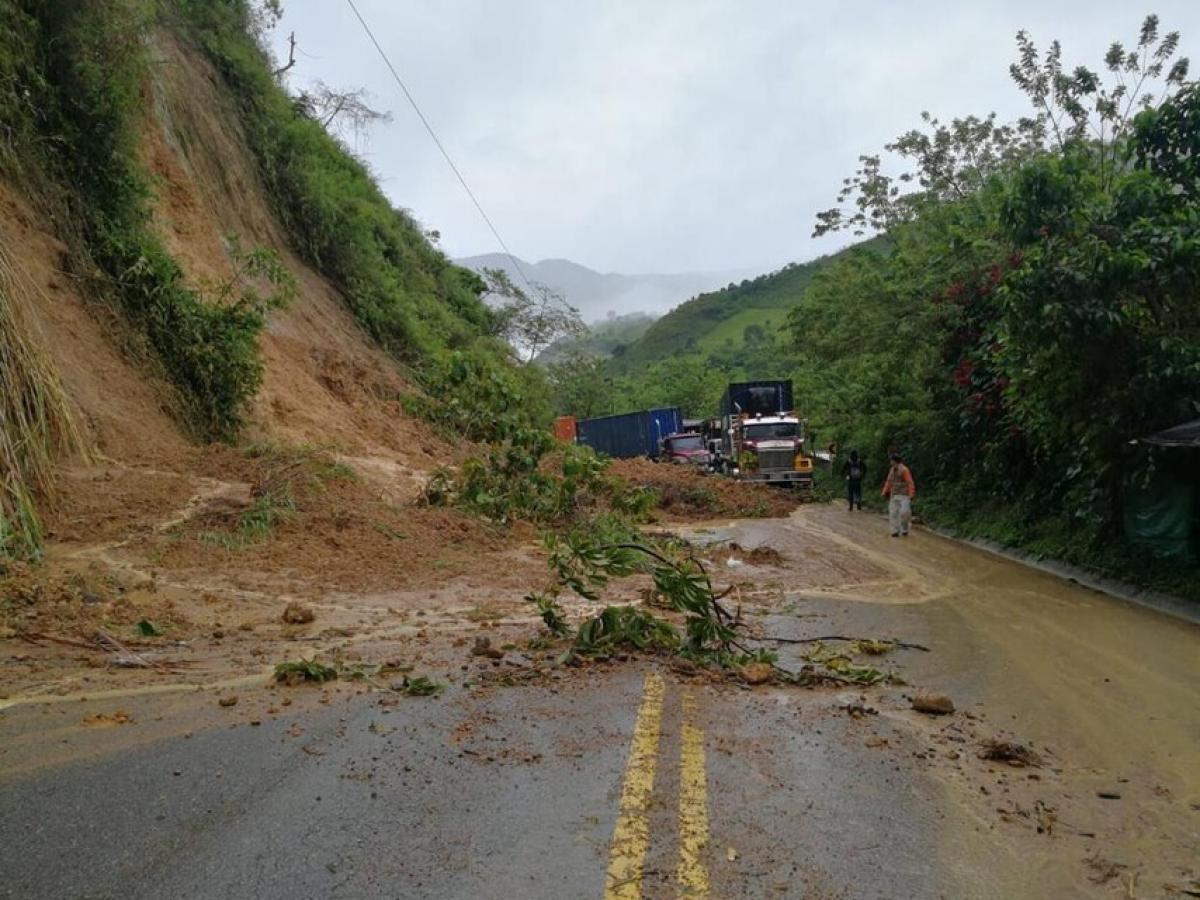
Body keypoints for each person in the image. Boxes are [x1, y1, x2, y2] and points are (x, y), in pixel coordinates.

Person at [881, 451, 916, 537]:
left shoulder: (904, 470)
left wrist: (911, 493)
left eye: (891, 460)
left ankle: (905, 529)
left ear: (894, 461)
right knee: (893, 513)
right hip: (894, 495)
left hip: (904, 495)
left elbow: (909, 482)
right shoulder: (891, 470)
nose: (890, 462)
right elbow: (889, 482)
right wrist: (885, 491)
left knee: (904, 513)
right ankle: (895, 531)